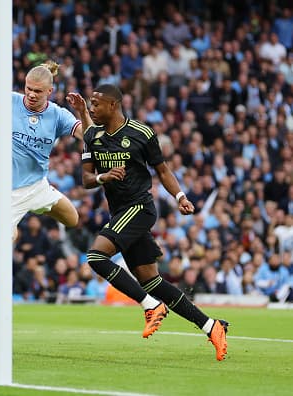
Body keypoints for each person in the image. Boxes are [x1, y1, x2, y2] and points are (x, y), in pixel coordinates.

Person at [66, 84, 228, 361]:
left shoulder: (142, 133)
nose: (91, 108)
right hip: (119, 213)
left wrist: (179, 196)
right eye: (90, 105)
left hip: (140, 208)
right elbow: (86, 179)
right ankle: (211, 326)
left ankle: (151, 306)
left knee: (95, 256)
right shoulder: (91, 136)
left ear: (113, 106)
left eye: (96, 104)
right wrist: (104, 177)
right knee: (151, 281)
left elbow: (163, 170)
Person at [0, 61, 83, 234]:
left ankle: (33, 208)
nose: (31, 94)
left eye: (37, 91)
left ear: (49, 91)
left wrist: (83, 112)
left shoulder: (58, 114)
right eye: (28, 88)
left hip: (38, 185)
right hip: (10, 191)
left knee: (72, 219)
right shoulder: (8, 101)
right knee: (2, 241)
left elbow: (86, 134)